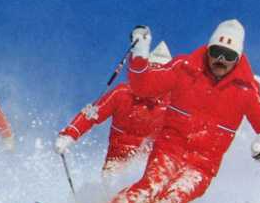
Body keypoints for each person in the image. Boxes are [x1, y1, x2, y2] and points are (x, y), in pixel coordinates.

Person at [111, 19, 260, 203]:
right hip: (169, 150)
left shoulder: (246, 90)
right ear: (208, 49)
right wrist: (140, 54)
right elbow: (143, 87)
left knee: (174, 198)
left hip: (202, 166)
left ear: (238, 58)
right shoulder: (184, 68)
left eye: (229, 56)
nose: (220, 60)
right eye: (216, 52)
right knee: (150, 186)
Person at [54, 30, 172, 174]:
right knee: (114, 179)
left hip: (149, 168)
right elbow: (92, 114)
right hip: (116, 163)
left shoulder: (172, 105)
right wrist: (69, 135)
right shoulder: (122, 93)